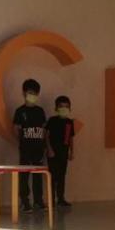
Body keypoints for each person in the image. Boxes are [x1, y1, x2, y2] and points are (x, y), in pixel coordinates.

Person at [13, 78, 48, 212]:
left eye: (35, 93)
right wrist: (20, 141)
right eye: (29, 92)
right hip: (25, 148)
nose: (32, 95)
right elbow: (16, 128)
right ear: (24, 93)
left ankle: (38, 201)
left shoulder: (40, 111)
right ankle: (24, 201)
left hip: (38, 148)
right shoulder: (20, 111)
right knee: (24, 175)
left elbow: (44, 129)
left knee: (37, 175)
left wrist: (44, 145)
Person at [46, 95, 76, 207]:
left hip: (64, 153)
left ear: (69, 109)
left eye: (66, 107)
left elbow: (71, 138)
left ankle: (61, 199)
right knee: (52, 177)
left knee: (62, 176)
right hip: (53, 153)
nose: (64, 109)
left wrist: (71, 152)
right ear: (56, 108)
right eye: (61, 106)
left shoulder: (69, 122)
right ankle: (51, 200)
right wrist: (49, 149)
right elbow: (47, 136)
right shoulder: (52, 120)